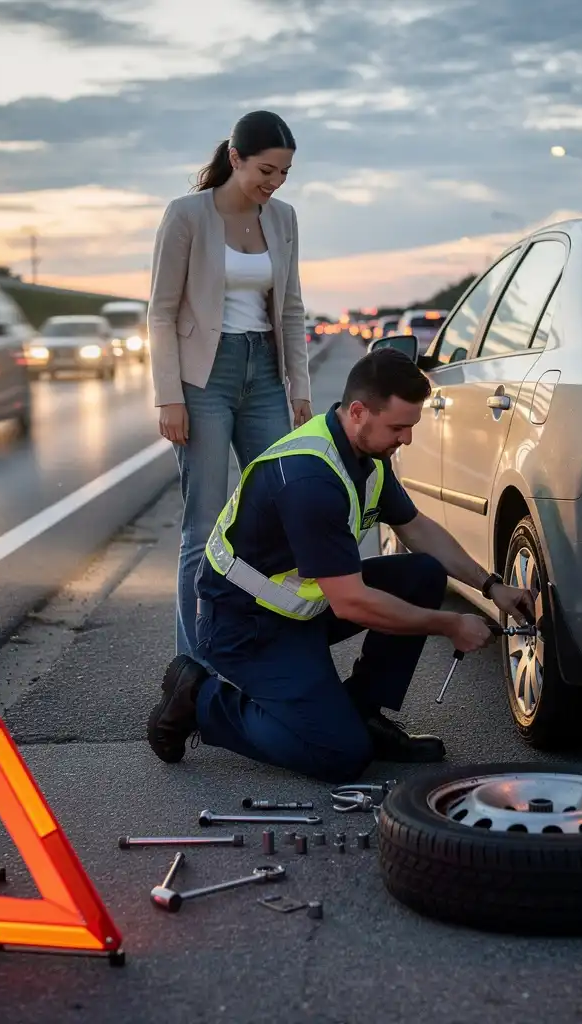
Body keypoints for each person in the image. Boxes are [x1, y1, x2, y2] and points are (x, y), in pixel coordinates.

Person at [146, 348, 538, 783]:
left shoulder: (367, 457)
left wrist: (491, 586)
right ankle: (200, 698)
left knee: (423, 572)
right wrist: (450, 625)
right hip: (247, 628)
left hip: (301, 607)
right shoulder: (309, 479)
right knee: (340, 754)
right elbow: (351, 603)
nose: (406, 439)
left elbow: (416, 528)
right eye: (399, 427)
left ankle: (362, 713)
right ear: (358, 412)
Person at [149, 109, 313, 658]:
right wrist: (169, 395)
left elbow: (290, 309)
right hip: (205, 381)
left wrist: (300, 389)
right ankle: (192, 671)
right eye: (266, 170)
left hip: (265, 374)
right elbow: (160, 312)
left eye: (284, 173)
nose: (274, 183)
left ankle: (263, 654)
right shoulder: (187, 216)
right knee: (203, 527)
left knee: (279, 515)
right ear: (236, 158)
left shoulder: (283, 219)